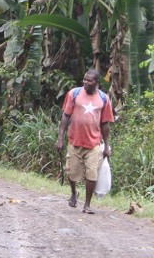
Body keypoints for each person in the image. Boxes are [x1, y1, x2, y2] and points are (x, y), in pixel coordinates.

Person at [56, 69, 114, 214]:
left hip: (94, 144)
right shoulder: (73, 94)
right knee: (72, 172)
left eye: (89, 80)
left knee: (92, 174)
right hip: (74, 141)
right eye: (84, 79)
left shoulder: (104, 99)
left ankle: (87, 204)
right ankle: (74, 192)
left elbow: (105, 125)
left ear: (97, 83)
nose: (85, 82)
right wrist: (60, 138)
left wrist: (107, 146)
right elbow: (65, 117)